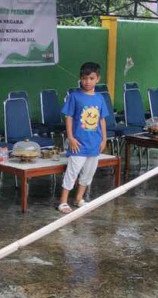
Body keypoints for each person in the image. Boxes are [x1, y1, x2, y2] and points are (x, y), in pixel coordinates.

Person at [57, 62, 108, 214]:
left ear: (97, 79)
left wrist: (104, 139)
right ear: (80, 78)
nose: (87, 81)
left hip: (94, 144)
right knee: (72, 172)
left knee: (88, 173)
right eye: (85, 78)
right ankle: (63, 202)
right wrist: (71, 137)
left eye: (91, 78)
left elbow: (102, 120)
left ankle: (79, 198)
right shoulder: (74, 96)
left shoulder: (100, 98)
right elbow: (69, 117)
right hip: (78, 143)